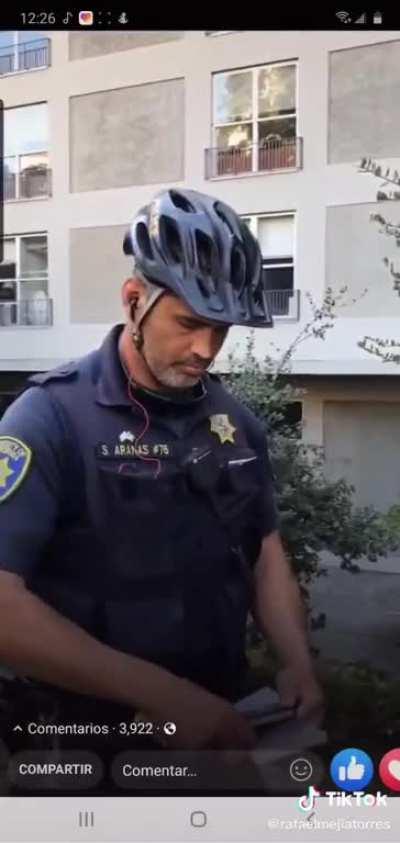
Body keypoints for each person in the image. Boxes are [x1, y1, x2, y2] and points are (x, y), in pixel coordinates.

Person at [0, 188, 323, 792]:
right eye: (190, 323)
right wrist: (165, 696)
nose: (206, 349)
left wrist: (297, 664)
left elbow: (264, 552)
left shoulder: (235, 424)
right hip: (79, 751)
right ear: (134, 301)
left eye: (220, 329)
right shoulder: (46, 418)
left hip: (218, 736)